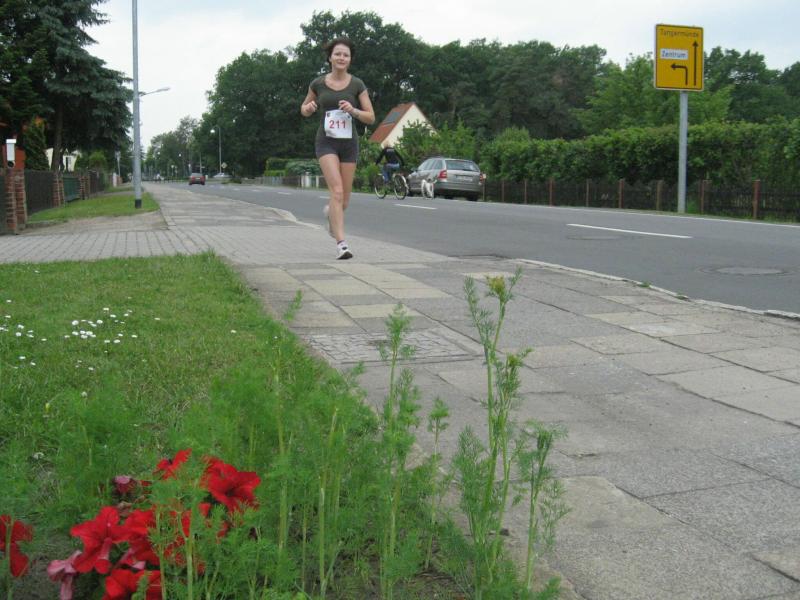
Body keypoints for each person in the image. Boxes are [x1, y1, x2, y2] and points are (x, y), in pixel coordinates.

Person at [300, 38, 375, 260]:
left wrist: (354, 110)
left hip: (349, 144)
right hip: (326, 142)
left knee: (345, 201)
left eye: (346, 55)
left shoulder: (357, 85)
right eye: (338, 54)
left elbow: (371, 117)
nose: (342, 58)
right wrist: (309, 108)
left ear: (350, 60)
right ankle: (342, 244)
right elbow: (303, 108)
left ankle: (331, 216)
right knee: (337, 191)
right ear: (330, 57)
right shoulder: (318, 83)